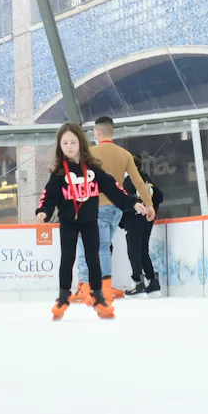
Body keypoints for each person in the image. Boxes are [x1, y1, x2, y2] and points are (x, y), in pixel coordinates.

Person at [36, 122, 147, 320]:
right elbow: (49, 196)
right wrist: (43, 212)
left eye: (72, 142)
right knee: (67, 258)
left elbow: (114, 189)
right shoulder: (60, 173)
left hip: (89, 221)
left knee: (93, 258)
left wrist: (133, 202)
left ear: (81, 143)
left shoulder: (94, 170)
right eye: (64, 143)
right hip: (69, 222)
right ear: (60, 147)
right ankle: (63, 298)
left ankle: (98, 297)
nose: (69, 146)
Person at [73, 116, 154, 303]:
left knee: (97, 247)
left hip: (96, 208)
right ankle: (93, 286)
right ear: (112, 132)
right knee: (100, 246)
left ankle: (99, 288)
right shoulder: (124, 154)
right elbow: (138, 182)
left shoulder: (89, 154)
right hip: (117, 209)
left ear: (98, 132)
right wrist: (149, 205)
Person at [121, 154, 163, 297]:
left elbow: (124, 199)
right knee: (143, 250)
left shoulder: (129, 180)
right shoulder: (145, 179)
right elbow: (159, 195)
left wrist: (124, 219)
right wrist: (152, 210)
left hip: (134, 219)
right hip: (146, 220)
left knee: (134, 250)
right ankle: (152, 281)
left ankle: (137, 282)